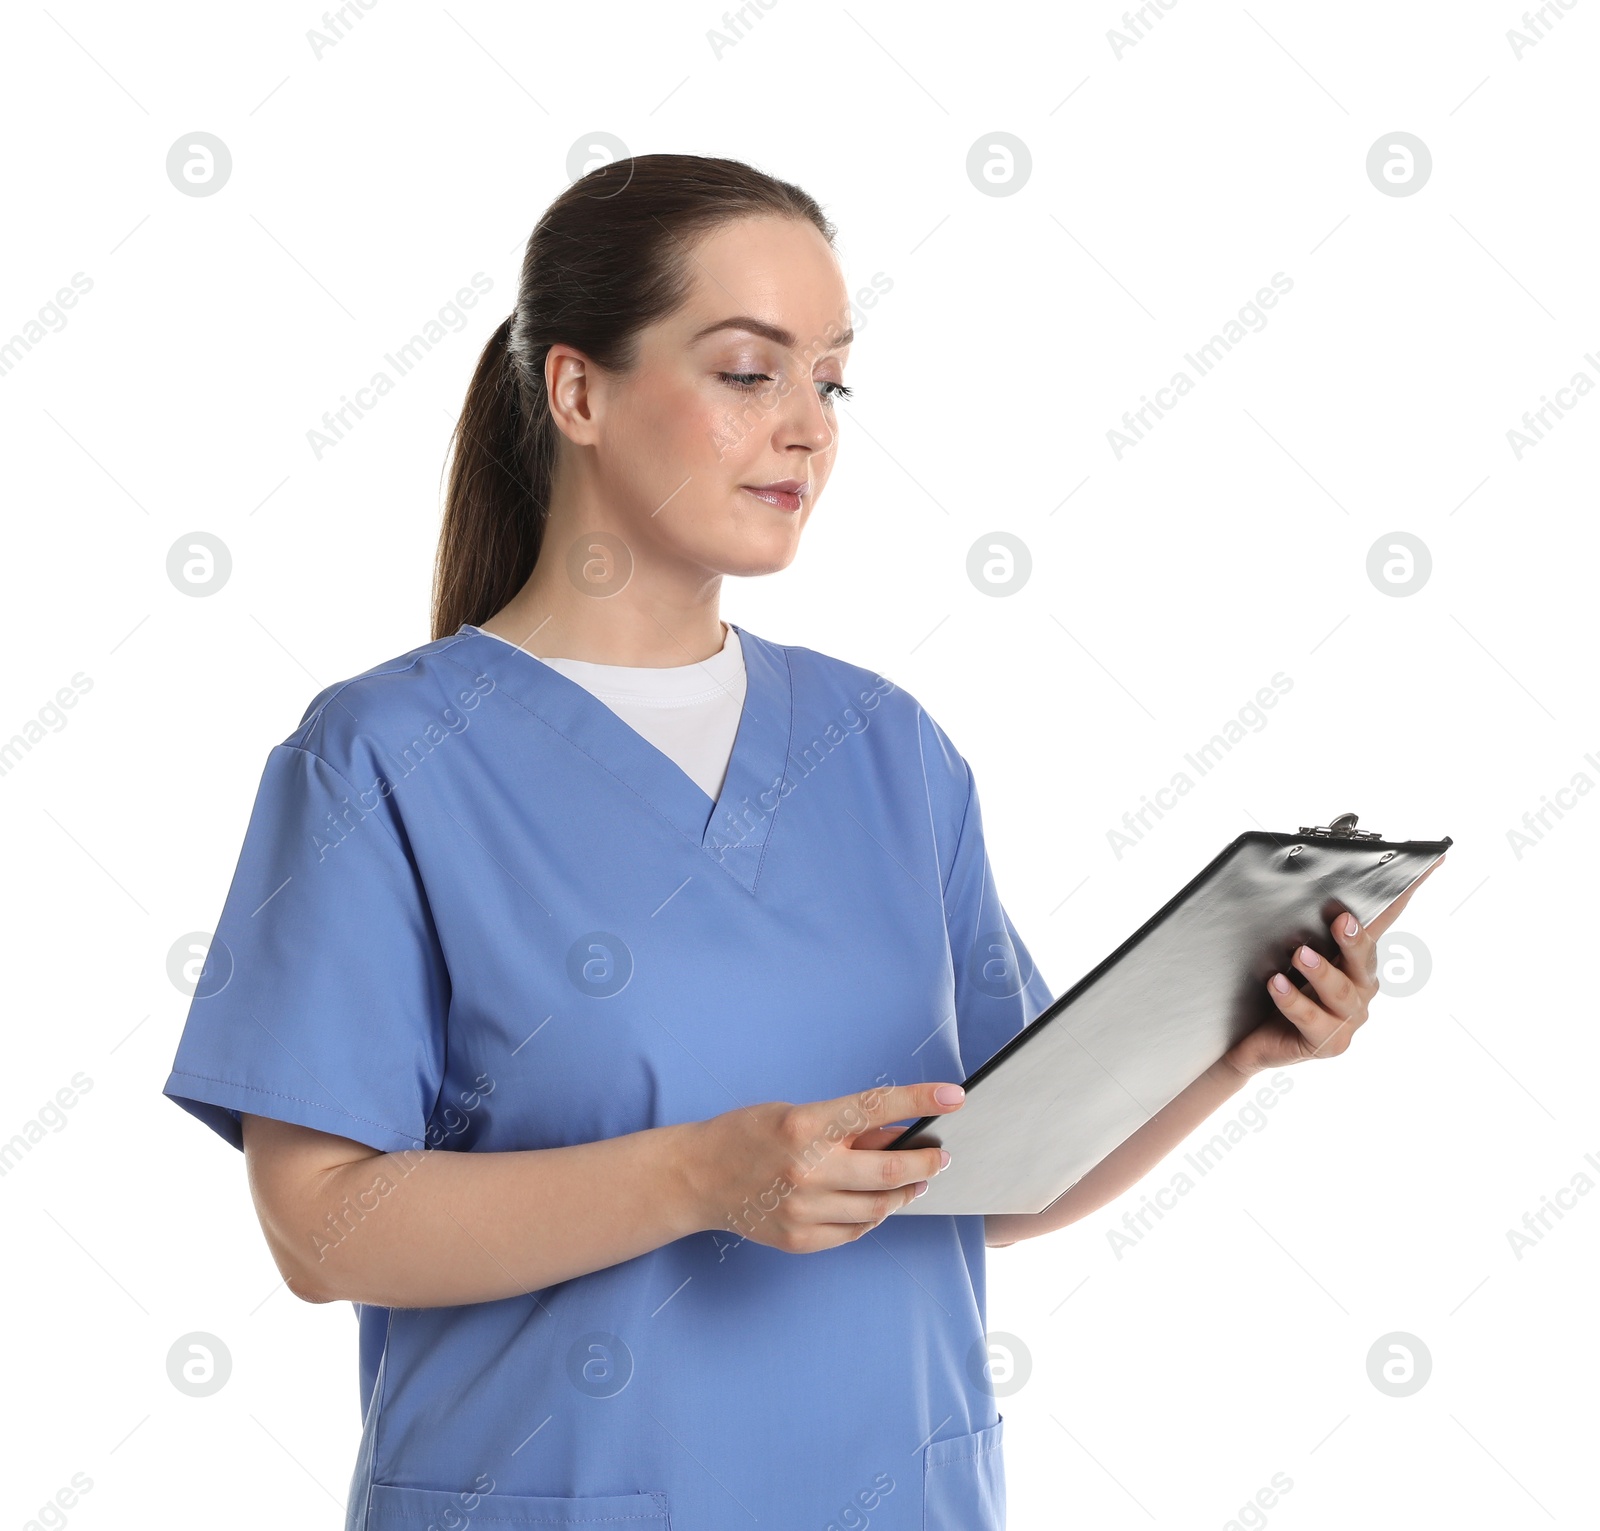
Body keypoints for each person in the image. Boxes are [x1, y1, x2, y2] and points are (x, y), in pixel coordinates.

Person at [162, 152, 1441, 1531]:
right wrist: (698, 1178)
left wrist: (1233, 1048)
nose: (808, 428)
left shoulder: (885, 749)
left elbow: (988, 1179)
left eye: (829, 380)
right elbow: (318, 1229)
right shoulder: (381, 760)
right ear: (578, 391)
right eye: (745, 372)